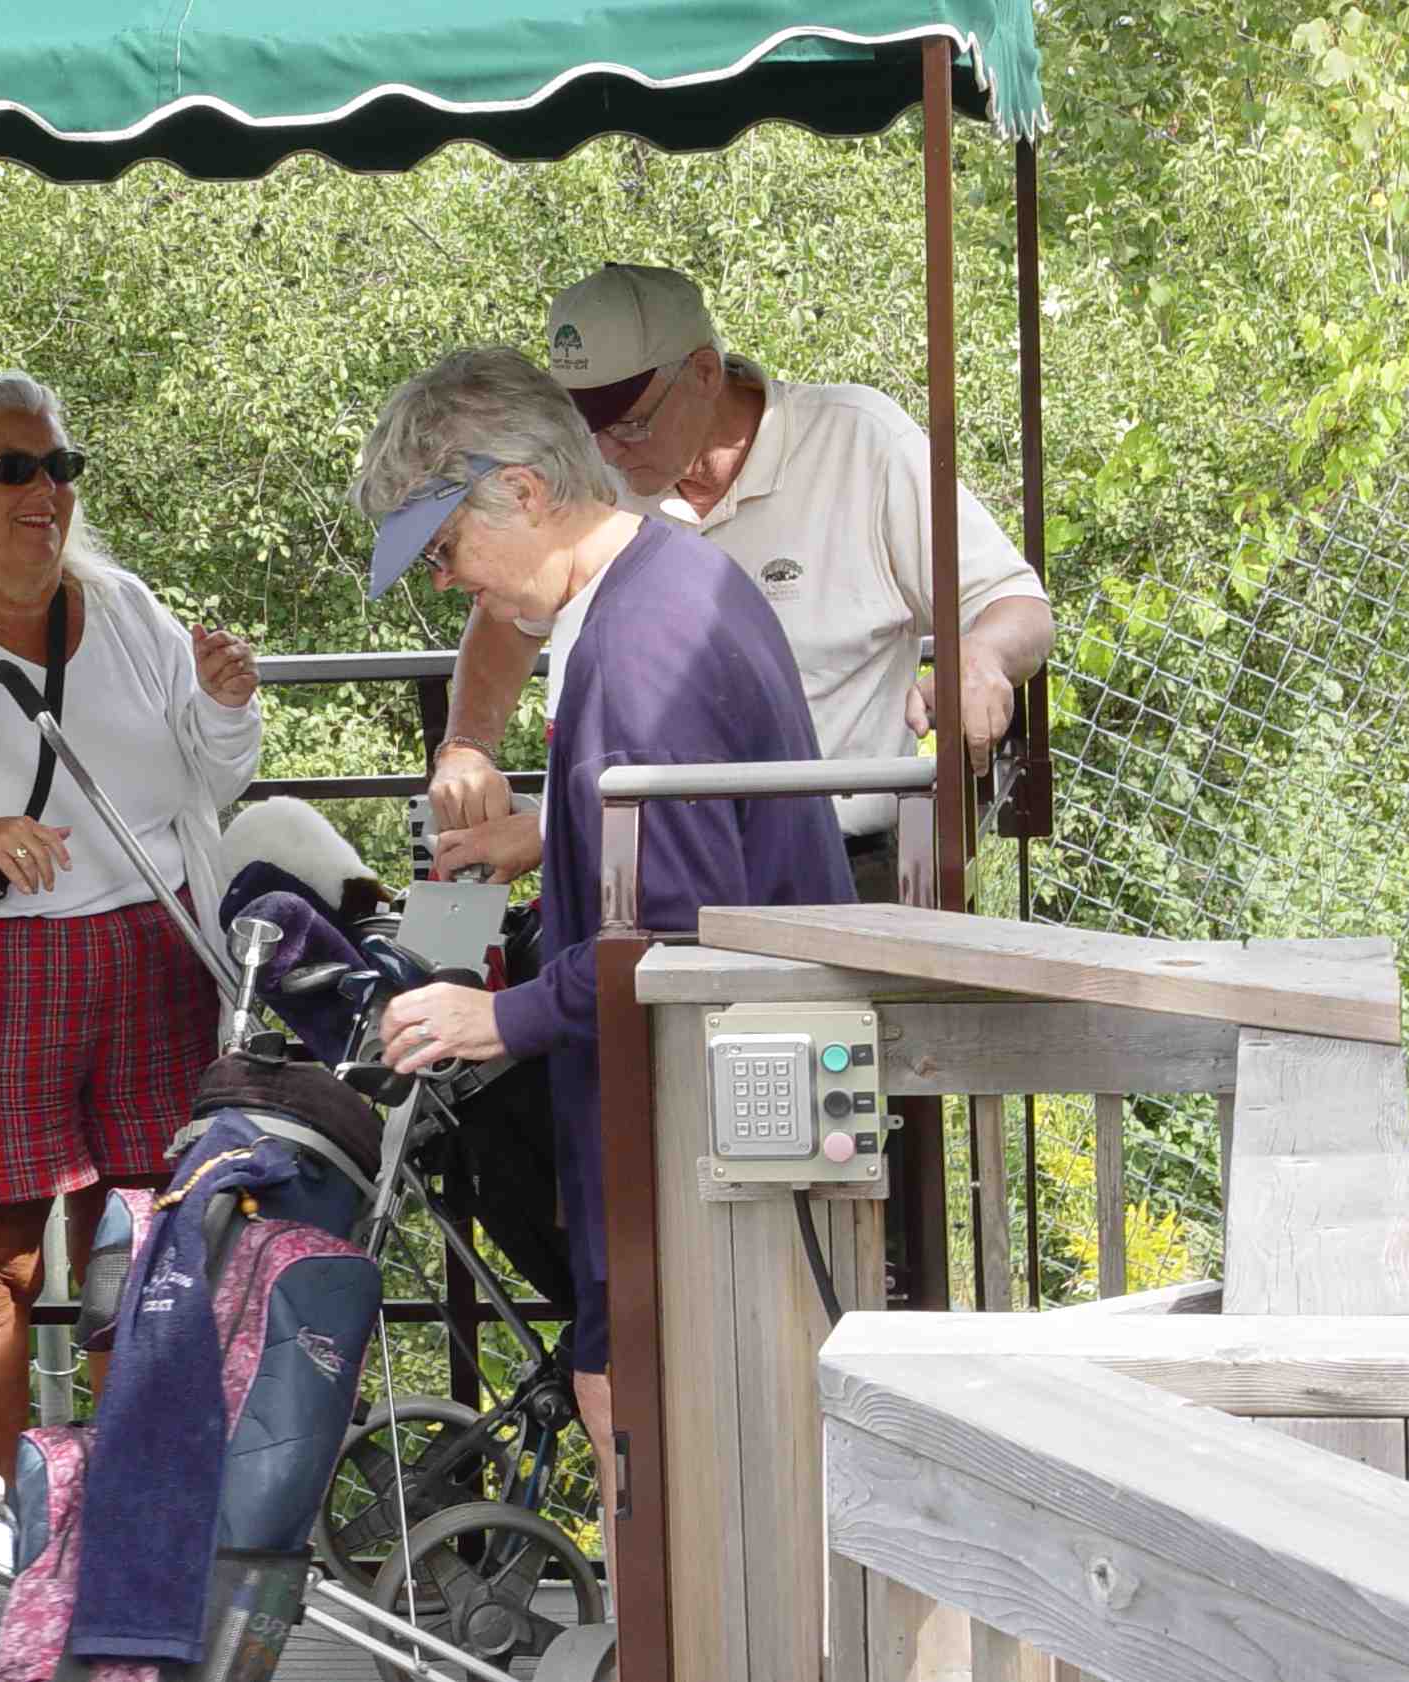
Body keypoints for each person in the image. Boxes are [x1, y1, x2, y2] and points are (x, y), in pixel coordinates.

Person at [350, 345, 853, 1566]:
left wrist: (494, 1019)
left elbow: (676, 937)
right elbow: (688, 832)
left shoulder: (629, 656)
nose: (448, 580)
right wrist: (547, 832)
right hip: (729, 1114)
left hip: (696, 1128)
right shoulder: (669, 577)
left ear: (522, 492)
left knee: (634, 1413)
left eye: (444, 548)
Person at [0, 372, 262, 1499]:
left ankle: (131, 1537)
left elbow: (210, 783)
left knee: (149, 1263)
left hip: (151, 960)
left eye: (59, 468)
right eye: (15, 469)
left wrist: (225, 705)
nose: (45, 494)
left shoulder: (124, 611)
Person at [427, 263, 1052, 904]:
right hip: (653, 867)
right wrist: (467, 746)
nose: (608, 451)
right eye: (587, 429)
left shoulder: (857, 440)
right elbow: (506, 617)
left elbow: (1016, 603)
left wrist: (984, 653)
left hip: (849, 870)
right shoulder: (588, 474)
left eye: (630, 422)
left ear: (703, 372)